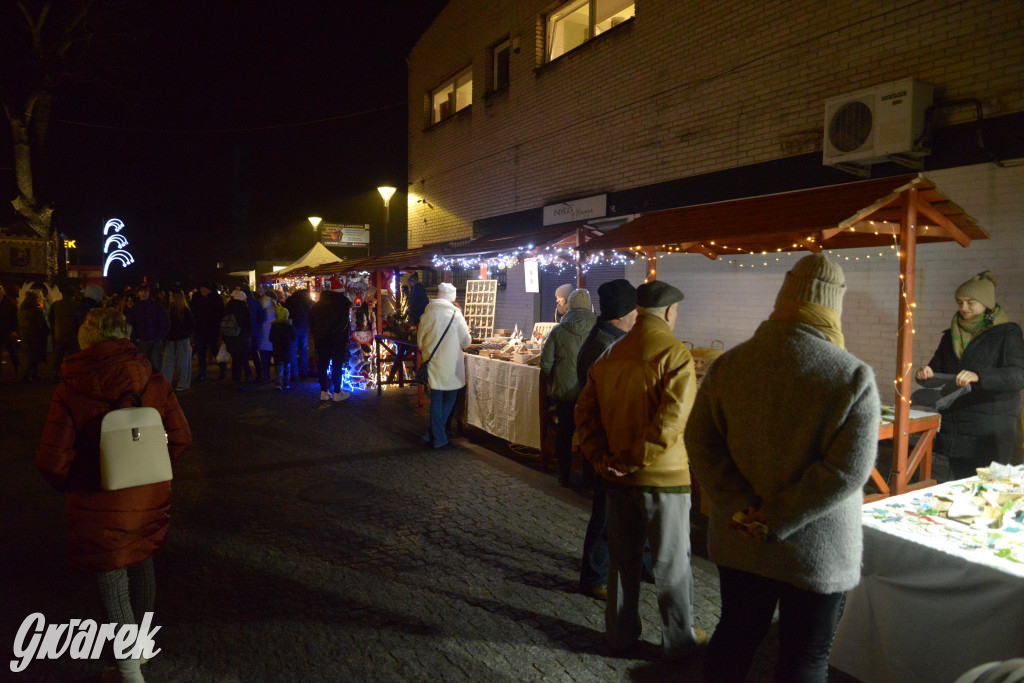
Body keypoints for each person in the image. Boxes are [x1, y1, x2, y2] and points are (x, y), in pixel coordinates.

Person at [685, 253, 880, 682]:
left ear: (782, 298)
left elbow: (700, 442)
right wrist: (778, 518)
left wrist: (742, 509)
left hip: (741, 539)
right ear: (835, 306)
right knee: (804, 659)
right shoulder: (851, 376)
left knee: (734, 638)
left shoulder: (729, 365)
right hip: (816, 548)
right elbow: (847, 471)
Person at [35, 307, 191, 683]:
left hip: (99, 498)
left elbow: (51, 460)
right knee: (143, 566)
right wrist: (151, 466)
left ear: (86, 337)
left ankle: (128, 672)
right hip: (149, 495)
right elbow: (181, 437)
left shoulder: (72, 387)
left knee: (113, 579)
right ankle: (142, 650)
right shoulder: (152, 377)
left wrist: (77, 481)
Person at [575, 280, 705, 660]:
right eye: (676, 312)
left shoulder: (611, 354)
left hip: (618, 477)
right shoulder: (675, 353)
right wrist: (634, 459)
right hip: (664, 480)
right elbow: (671, 423)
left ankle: (619, 634)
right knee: (671, 564)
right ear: (667, 313)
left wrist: (602, 456)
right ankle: (679, 641)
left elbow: (585, 410)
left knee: (622, 562)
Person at [915, 270, 1024, 479]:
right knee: (959, 484)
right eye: (959, 302)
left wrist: (979, 376)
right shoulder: (951, 335)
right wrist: (926, 373)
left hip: (991, 429)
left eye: (970, 302)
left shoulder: (1007, 333)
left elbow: (1018, 376)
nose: (963, 308)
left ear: (986, 305)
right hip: (957, 424)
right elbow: (939, 371)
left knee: (989, 488)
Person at [575, 279, 639, 600]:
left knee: (617, 508)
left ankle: (635, 563)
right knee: (605, 510)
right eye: (635, 310)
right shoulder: (605, 346)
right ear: (623, 314)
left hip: (608, 437)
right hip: (606, 441)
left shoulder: (611, 339)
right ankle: (594, 575)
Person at [540, 288, 596, 487]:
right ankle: (589, 478)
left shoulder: (559, 330)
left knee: (564, 432)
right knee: (589, 433)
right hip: (591, 391)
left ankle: (564, 474)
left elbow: (545, 364)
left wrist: (558, 372)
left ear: (570, 305)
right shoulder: (599, 328)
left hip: (565, 391)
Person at [417, 282, 472, 449]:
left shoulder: (427, 314)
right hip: (451, 365)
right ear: (452, 297)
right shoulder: (456, 315)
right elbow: (466, 342)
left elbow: (419, 341)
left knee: (436, 398)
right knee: (451, 398)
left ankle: (431, 433)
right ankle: (439, 438)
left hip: (433, 363)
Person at [310, 280, 352, 403]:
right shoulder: (342, 304)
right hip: (337, 340)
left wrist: (319, 334)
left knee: (323, 364)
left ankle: (323, 391)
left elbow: (312, 323)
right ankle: (337, 392)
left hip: (321, 339)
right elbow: (344, 323)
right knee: (337, 366)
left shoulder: (318, 305)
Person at [125, 284, 170, 370]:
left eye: (145, 291)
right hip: (142, 341)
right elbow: (130, 324)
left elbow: (165, 322)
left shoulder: (157, 306)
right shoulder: (135, 308)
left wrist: (159, 336)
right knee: (144, 365)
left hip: (155, 340)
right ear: (138, 293)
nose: (143, 293)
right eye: (141, 291)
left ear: (149, 292)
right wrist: (135, 338)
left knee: (156, 365)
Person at [191, 282, 226, 382]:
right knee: (201, 353)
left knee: (214, 350)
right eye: (201, 288)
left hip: (211, 329)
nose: (202, 290)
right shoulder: (198, 299)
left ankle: (222, 369)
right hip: (200, 329)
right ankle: (202, 374)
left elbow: (220, 315)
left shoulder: (216, 300)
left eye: (204, 288)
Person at [161, 288, 195, 391]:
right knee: (168, 363)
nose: (169, 298)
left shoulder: (184, 310)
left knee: (182, 363)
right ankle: (167, 383)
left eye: (171, 296)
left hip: (181, 340)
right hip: (172, 340)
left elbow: (191, 326)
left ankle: (182, 383)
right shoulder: (171, 309)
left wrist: (183, 334)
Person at [48, 284, 80, 380]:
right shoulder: (76, 305)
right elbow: (79, 320)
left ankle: (55, 374)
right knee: (73, 356)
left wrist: (56, 328)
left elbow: (51, 319)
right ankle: (71, 374)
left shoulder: (56, 305)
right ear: (73, 295)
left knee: (58, 355)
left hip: (59, 334)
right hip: (72, 335)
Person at [223, 290, 253, 390]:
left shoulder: (228, 307)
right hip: (242, 337)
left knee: (235, 358)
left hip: (230, 336)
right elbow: (248, 324)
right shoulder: (244, 308)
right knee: (241, 358)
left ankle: (236, 378)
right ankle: (241, 378)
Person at [18, 289, 49, 382]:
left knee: (29, 355)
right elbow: (41, 323)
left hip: (25, 335)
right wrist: (46, 331)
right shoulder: (35, 310)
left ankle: (30, 375)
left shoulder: (21, 309)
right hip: (35, 335)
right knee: (34, 356)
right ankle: (29, 375)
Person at [284, 287, 313, 380]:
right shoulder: (309, 302)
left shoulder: (291, 300)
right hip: (305, 327)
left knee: (292, 350)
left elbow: (286, 313)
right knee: (304, 350)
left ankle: (294, 373)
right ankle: (304, 372)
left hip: (293, 326)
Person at [269, 305, 296, 390]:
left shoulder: (274, 326)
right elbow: (294, 337)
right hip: (288, 349)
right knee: (287, 366)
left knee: (279, 366)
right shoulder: (289, 326)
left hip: (277, 349)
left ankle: (278, 383)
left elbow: (270, 338)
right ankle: (286, 383)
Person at [254, 288, 275, 381]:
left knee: (263, 357)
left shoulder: (260, 306)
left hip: (262, 335)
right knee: (271, 356)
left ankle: (266, 374)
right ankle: (274, 376)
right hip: (272, 336)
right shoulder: (275, 307)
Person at [0, 284, 19, 379]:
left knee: (12, 351)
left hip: (8, 331)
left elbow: (15, 319)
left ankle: (16, 366)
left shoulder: (10, 305)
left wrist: (15, 330)